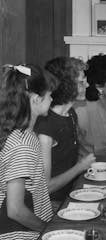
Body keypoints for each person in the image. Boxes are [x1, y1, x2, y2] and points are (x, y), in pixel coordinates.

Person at [0, 65, 56, 239]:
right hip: (20, 235)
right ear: (35, 99)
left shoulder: (24, 134)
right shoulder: (23, 144)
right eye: (49, 95)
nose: (52, 99)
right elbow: (15, 210)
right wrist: (48, 229)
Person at [34, 57, 96, 206]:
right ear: (66, 86)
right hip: (51, 204)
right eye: (81, 82)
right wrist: (81, 167)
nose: (87, 84)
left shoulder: (71, 114)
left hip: (70, 194)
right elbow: (46, 187)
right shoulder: (46, 126)